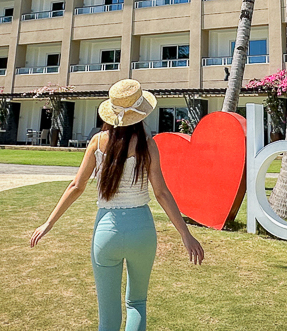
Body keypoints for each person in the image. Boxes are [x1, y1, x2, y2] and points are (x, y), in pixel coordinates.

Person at [30, 79, 204, 331]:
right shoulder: (147, 143)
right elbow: (162, 193)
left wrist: (49, 222)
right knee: (137, 303)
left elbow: (76, 187)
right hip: (142, 230)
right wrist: (185, 234)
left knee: (108, 313)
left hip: (107, 232)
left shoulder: (97, 142)